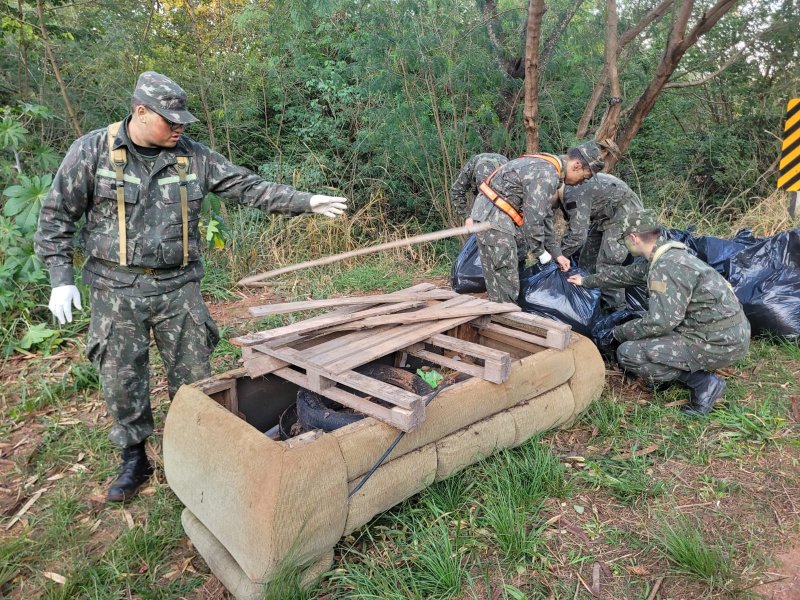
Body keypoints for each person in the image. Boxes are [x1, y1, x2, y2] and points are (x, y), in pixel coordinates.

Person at [34, 72, 348, 502]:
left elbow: (249, 187)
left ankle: (197, 451)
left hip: (177, 289)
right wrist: (60, 278)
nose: (180, 127)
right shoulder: (92, 151)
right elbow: (56, 218)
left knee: (196, 379)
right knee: (121, 377)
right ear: (141, 112)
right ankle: (134, 456)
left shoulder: (193, 157)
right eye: (171, 119)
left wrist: (306, 202)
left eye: (184, 120)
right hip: (115, 290)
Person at [567, 209, 750, 415]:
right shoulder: (667, 254)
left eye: (624, 239)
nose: (624, 244)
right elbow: (626, 275)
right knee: (643, 335)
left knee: (629, 353)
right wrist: (586, 281)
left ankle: (704, 383)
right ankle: (678, 367)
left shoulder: (666, 267)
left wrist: (617, 333)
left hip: (720, 342)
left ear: (634, 238)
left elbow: (660, 323)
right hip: (725, 332)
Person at [469, 142, 604, 304]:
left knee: (497, 273)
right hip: (494, 217)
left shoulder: (548, 166)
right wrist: (540, 252)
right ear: (577, 166)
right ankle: (506, 318)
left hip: (488, 214)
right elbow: (534, 220)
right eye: (585, 177)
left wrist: (556, 254)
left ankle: (497, 312)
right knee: (505, 276)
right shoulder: (547, 174)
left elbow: (544, 215)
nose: (582, 182)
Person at [546, 173, 644, 310]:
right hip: (605, 217)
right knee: (587, 259)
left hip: (625, 214)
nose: (551, 205)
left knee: (608, 264)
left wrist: (555, 257)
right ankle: (589, 303)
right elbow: (575, 228)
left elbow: (577, 236)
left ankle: (615, 312)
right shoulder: (567, 188)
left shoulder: (573, 193)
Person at [450, 153, 508, 227]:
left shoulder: (508, 170)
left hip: (503, 208)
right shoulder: (472, 166)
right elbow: (456, 191)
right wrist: (467, 216)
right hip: (479, 211)